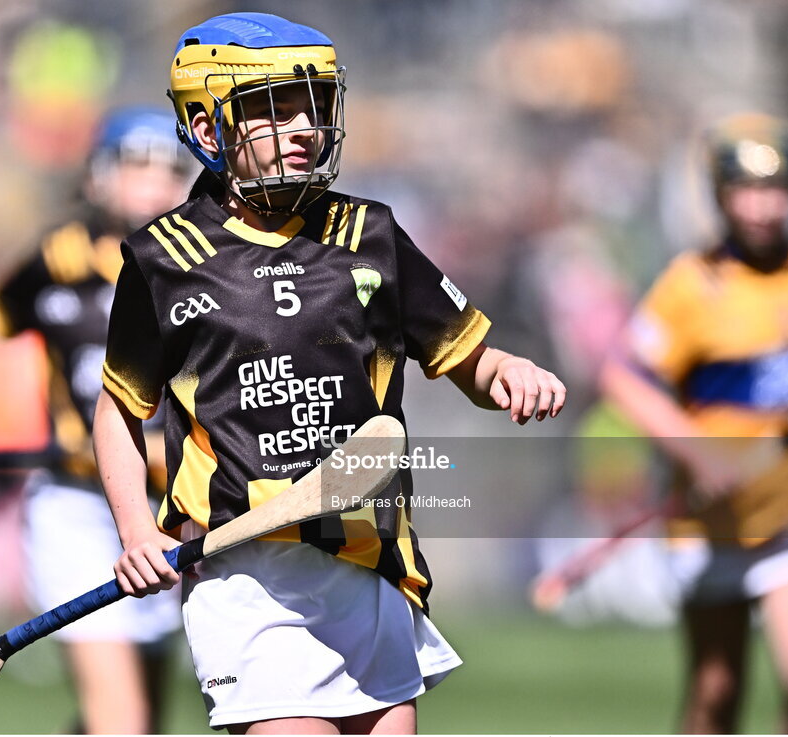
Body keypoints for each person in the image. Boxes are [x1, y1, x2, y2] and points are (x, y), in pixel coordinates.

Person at [94, 12, 566, 735]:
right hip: (249, 576)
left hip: (369, 563)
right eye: (272, 109)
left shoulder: (368, 234)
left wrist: (504, 368)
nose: (303, 126)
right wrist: (135, 530)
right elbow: (121, 408)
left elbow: (462, 356)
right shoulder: (164, 258)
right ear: (208, 129)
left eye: (311, 104)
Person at [0, 107, 195, 733]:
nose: (151, 184)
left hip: (173, 513)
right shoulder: (59, 257)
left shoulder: (206, 265)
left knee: (145, 718)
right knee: (122, 721)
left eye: (167, 170)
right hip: (79, 509)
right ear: (98, 177)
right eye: (136, 166)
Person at [601, 112, 788, 734]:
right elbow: (621, 375)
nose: (764, 207)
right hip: (712, 525)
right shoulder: (689, 286)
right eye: (747, 190)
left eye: (778, 190)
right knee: (716, 697)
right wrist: (698, 456)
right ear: (720, 196)